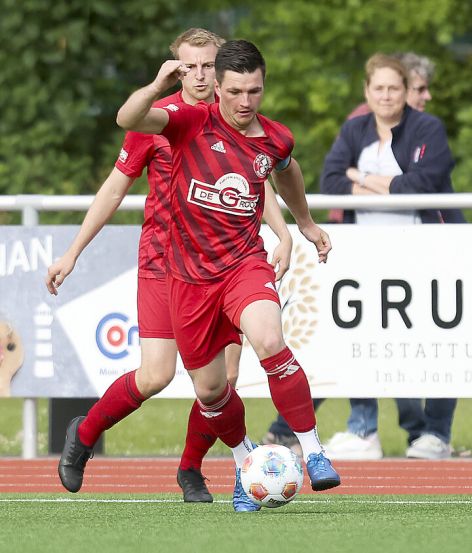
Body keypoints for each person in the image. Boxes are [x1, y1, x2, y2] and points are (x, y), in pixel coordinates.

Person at [48, 28, 293, 502]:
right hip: (163, 263)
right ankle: (85, 432)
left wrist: (283, 232)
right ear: (175, 70)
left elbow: (254, 182)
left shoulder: (235, 118)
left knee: (223, 379)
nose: (199, 75)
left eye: (208, 65)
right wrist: (73, 251)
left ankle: (190, 469)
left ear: (222, 70)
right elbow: (114, 189)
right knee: (156, 375)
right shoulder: (159, 119)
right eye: (189, 67)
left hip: (224, 263)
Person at [105, 39, 338, 512]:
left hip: (243, 264)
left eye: (254, 91)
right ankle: (245, 464)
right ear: (217, 86)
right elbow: (127, 119)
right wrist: (156, 86)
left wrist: (305, 223)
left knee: (269, 338)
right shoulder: (188, 121)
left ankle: (313, 450)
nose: (245, 102)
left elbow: (286, 170)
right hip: (188, 278)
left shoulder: (275, 137)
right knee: (211, 389)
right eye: (235, 92)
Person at [265, 52, 461, 460]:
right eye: (379, 88)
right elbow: (331, 181)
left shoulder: (428, 128)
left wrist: (362, 177)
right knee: (362, 339)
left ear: (406, 91)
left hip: (425, 252)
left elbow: (423, 185)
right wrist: (382, 184)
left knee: (436, 341)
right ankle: (363, 429)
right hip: (366, 257)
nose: (386, 96)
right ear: (367, 92)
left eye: (394, 88)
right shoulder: (355, 129)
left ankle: (435, 433)